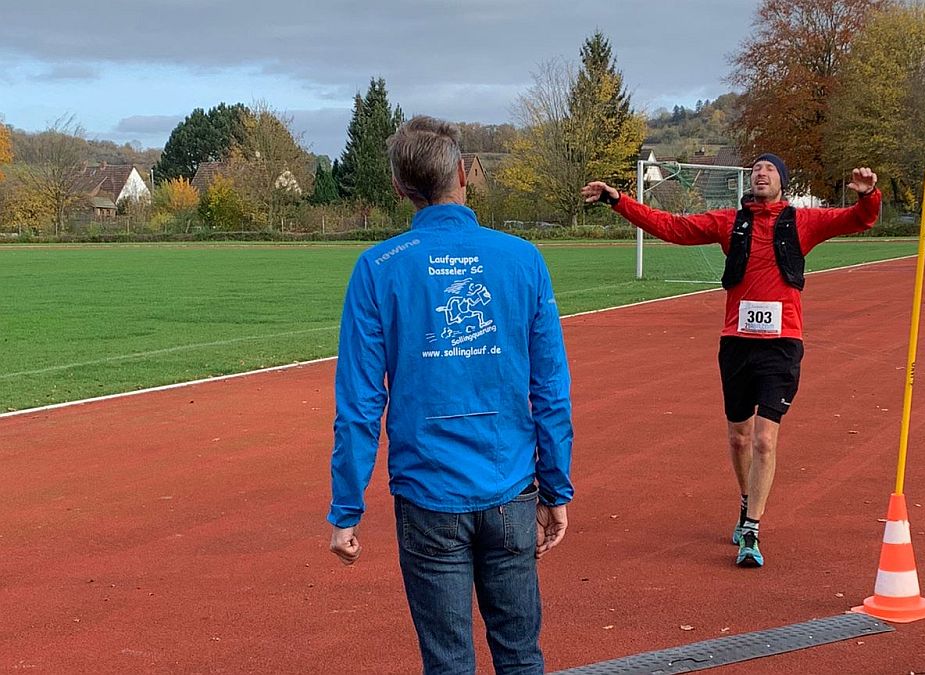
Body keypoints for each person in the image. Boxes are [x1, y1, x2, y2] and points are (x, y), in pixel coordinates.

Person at [329, 115, 573, 674]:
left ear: (399, 188)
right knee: (519, 655)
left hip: (428, 495)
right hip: (509, 486)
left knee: (448, 662)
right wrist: (556, 487)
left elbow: (361, 404)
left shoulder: (376, 268)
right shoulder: (523, 259)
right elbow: (551, 391)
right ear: (463, 173)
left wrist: (347, 508)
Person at [581, 156, 879, 568]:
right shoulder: (728, 222)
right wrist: (618, 200)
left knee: (764, 438)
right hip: (736, 344)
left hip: (782, 345)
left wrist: (869, 195)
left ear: (782, 182)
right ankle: (745, 501)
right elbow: (671, 227)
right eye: (756, 169)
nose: (761, 174)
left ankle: (752, 529)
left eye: (770, 170)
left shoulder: (803, 221)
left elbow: (858, 220)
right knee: (739, 438)